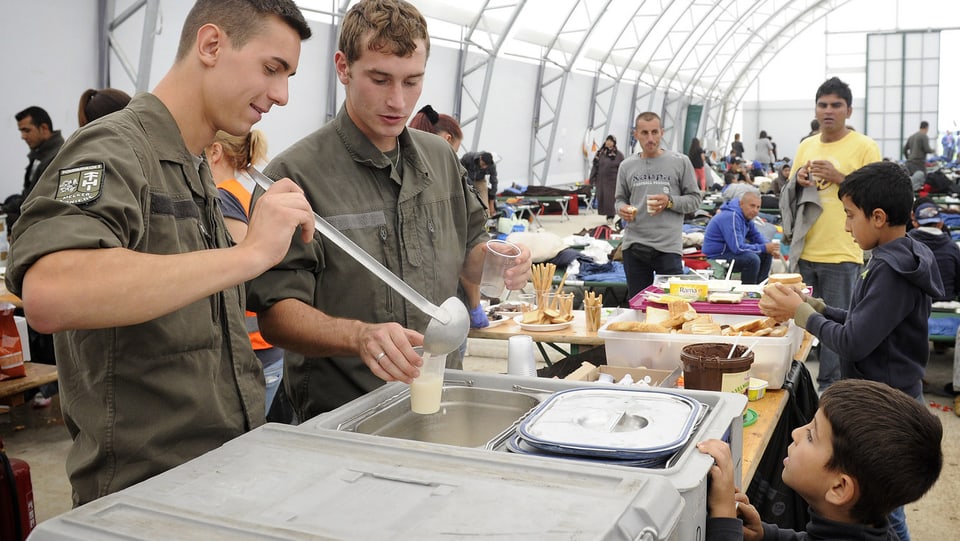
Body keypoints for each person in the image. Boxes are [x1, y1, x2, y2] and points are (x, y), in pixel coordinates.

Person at [4, 0, 314, 505]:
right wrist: (249, 253)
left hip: (224, 482)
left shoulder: (192, 168)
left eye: (289, 75)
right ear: (211, 45)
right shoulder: (114, 149)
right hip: (144, 501)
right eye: (271, 68)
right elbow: (52, 289)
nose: (281, 95)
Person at [245, 0, 531, 422]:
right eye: (380, 80)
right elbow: (277, 316)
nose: (398, 101)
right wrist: (358, 336)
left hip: (439, 399)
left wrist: (500, 263)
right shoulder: (294, 175)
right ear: (343, 68)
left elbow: (471, 253)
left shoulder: (441, 159)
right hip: (340, 417)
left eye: (412, 81)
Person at [762, 161, 942, 541]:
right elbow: (865, 321)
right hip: (889, 394)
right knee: (880, 505)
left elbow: (853, 341)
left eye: (850, 215)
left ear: (877, 217)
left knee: (878, 508)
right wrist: (823, 309)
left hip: (883, 407)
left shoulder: (892, 272)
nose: (846, 226)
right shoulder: (897, 256)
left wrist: (801, 316)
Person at [698, 378, 943, 541]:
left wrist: (723, 517)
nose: (795, 433)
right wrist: (766, 535)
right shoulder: (869, 529)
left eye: (812, 435)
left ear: (839, 487)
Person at [778, 76, 881, 393]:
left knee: (835, 333)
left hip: (842, 253)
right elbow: (791, 191)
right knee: (796, 325)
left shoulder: (864, 146)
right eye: (823, 105)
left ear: (848, 110)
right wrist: (801, 178)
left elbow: (877, 194)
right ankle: (797, 390)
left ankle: (831, 394)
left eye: (836, 105)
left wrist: (839, 177)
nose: (828, 111)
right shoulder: (807, 145)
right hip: (805, 251)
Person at [208, 129, 287, 420]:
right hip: (266, 343)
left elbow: (242, 270)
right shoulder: (247, 193)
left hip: (253, 346)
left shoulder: (223, 198)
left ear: (215, 152)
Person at [408, 105, 490, 337]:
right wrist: (474, 306)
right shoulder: (444, 182)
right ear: (447, 138)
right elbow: (460, 255)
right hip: (447, 312)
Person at [615, 111, 702, 298]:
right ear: (635, 134)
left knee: (673, 305)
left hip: (668, 247)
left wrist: (669, 202)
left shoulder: (680, 162)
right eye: (644, 133)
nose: (650, 138)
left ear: (662, 132)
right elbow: (619, 199)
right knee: (638, 305)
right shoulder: (626, 166)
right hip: (634, 246)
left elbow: (695, 200)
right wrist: (622, 209)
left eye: (655, 132)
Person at [702, 192, 778, 284]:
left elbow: (756, 235)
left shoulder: (744, 216)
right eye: (752, 206)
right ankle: (749, 291)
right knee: (752, 259)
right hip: (718, 255)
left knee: (766, 253)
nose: (755, 210)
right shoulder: (732, 216)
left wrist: (770, 247)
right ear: (741, 204)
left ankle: (761, 288)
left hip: (730, 252)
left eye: (758, 207)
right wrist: (764, 247)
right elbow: (738, 248)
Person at [907, 201, 960, 302]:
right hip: (947, 307)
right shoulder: (953, 248)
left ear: (916, 223)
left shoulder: (905, 245)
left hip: (913, 309)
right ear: (940, 224)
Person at [15, 106, 64, 202]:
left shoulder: (57, 157)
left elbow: (42, 203)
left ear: (44, 128)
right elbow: (27, 197)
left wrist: (9, 216)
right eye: (21, 131)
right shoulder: (38, 153)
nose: (23, 137)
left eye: (27, 130)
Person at [591, 134, 625, 223]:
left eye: (611, 141)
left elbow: (623, 168)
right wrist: (592, 178)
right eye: (607, 140)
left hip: (612, 182)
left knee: (610, 200)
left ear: (614, 143)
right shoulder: (600, 153)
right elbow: (595, 166)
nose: (608, 142)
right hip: (601, 181)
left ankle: (610, 217)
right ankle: (607, 214)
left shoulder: (618, 155)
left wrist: (623, 180)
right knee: (602, 199)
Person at [461, 150, 498, 215]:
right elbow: (459, 169)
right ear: (480, 158)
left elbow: (494, 182)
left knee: (485, 206)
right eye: (483, 164)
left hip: (480, 181)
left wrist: (491, 203)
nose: (484, 167)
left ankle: (486, 221)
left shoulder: (492, 166)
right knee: (466, 202)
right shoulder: (468, 157)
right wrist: (469, 183)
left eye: (486, 166)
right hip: (466, 179)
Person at [904, 120, 934, 188]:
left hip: (909, 163)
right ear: (926, 128)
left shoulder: (912, 136)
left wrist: (908, 158)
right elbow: (927, 149)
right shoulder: (924, 136)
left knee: (909, 183)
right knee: (922, 181)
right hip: (919, 164)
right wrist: (934, 150)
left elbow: (904, 149)